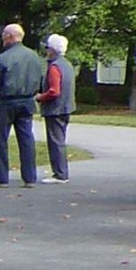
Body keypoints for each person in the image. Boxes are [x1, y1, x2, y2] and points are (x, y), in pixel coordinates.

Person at [0, 23, 44, 188]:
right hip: (27, 101)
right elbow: (40, 78)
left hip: (8, 101)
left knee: (2, 139)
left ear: (10, 37)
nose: (3, 38)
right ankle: (30, 178)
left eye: (4, 35)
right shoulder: (34, 56)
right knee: (26, 138)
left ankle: (1, 177)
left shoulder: (3, 58)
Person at [36, 34, 76, 184]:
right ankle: (61, 172)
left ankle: (60, 174)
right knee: (60, 139)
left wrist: (40, 97)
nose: (46, 51)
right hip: (66, 107)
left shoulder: (54, 67)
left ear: (52, 50)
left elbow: (54, 91)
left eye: (47, 48)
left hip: (55, 109)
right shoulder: (67, 64)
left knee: (55, 141)